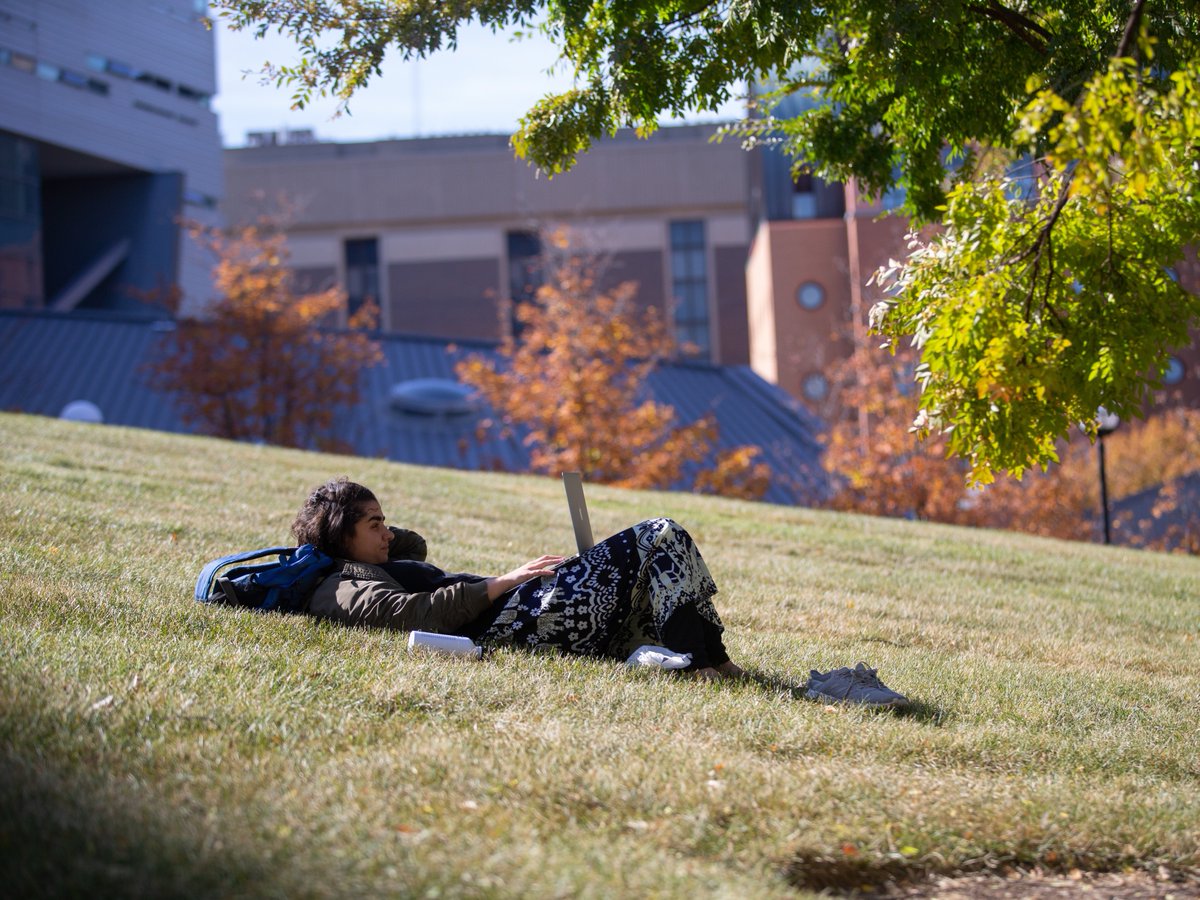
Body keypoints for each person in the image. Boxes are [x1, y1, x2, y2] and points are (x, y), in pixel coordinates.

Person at [292, 477, 744, 679]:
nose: (387, 532)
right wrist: (503, 583)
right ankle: (701, 662)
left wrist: (377, 535)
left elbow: (414, 547)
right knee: (659, 533)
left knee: (660, 567)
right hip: (516, 621)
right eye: (374, 524)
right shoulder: (338, 583)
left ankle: (714, 661)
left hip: (532, 612)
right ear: (338, 534)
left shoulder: (371, 563)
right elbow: (412, 614)